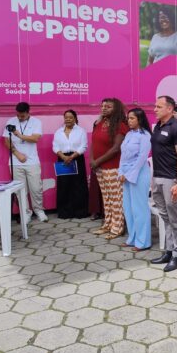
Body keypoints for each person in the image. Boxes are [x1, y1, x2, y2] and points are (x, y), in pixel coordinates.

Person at [150, 96, 177, 271]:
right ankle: (169, 250)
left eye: (159, 106)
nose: (155, 109)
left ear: (169, 109)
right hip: (157, 177)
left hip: (171, 179)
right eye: (155, 106)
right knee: (164, 217)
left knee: (175, 218)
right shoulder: (158, 126)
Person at [91, 98, 129, 240]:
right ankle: (108, 224)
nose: (104, 108)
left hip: (113, 167)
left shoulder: (120, 125)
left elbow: (116, 149)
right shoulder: (99, 123)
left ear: (116, 109)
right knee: (106, 198)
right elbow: (93, 142)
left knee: (116, 199)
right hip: (99, 167)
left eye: (108, 106)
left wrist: (97, 161)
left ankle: (118, 227)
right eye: (102, 106)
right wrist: (92, 160)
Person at [3, 102, 47, 223]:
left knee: (36, 188)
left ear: (28, 112)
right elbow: (6, 140)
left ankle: (39, 211)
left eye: (22, 116)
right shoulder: (10, 121)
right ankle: (26, 213)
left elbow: (35, 138)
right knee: (20, 190)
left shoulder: (36, 122)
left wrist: (19, 135)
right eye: (18, 115)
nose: (19, 117)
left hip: (32, 161)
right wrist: (17, 154)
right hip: (16, 162)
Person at [119, 108, 152, 251]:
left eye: (132, 118)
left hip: (139, 174)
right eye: (128, 118)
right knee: (128, 208)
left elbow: (142, 158)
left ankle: (143, 242)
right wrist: (121, 172)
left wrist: (129, 175)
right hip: (126, 174)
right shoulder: (129, 134)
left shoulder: (145, 135)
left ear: (140, 119)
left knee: (139, 209)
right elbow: (123, 156)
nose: (129, 121)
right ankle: (132, 238)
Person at [52, 109, 89, 219]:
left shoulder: (81, 131)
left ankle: (80, 211)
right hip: (62, 159)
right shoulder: (58, 132)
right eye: (66, 117)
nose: (68, 119)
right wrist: (63, 157)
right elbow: (55, 146)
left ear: (75, 119)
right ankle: (64, 212)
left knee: (78, 185)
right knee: (64, 185)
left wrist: (72, 157)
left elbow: (84, 146)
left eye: (70, 117)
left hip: (77, 158)